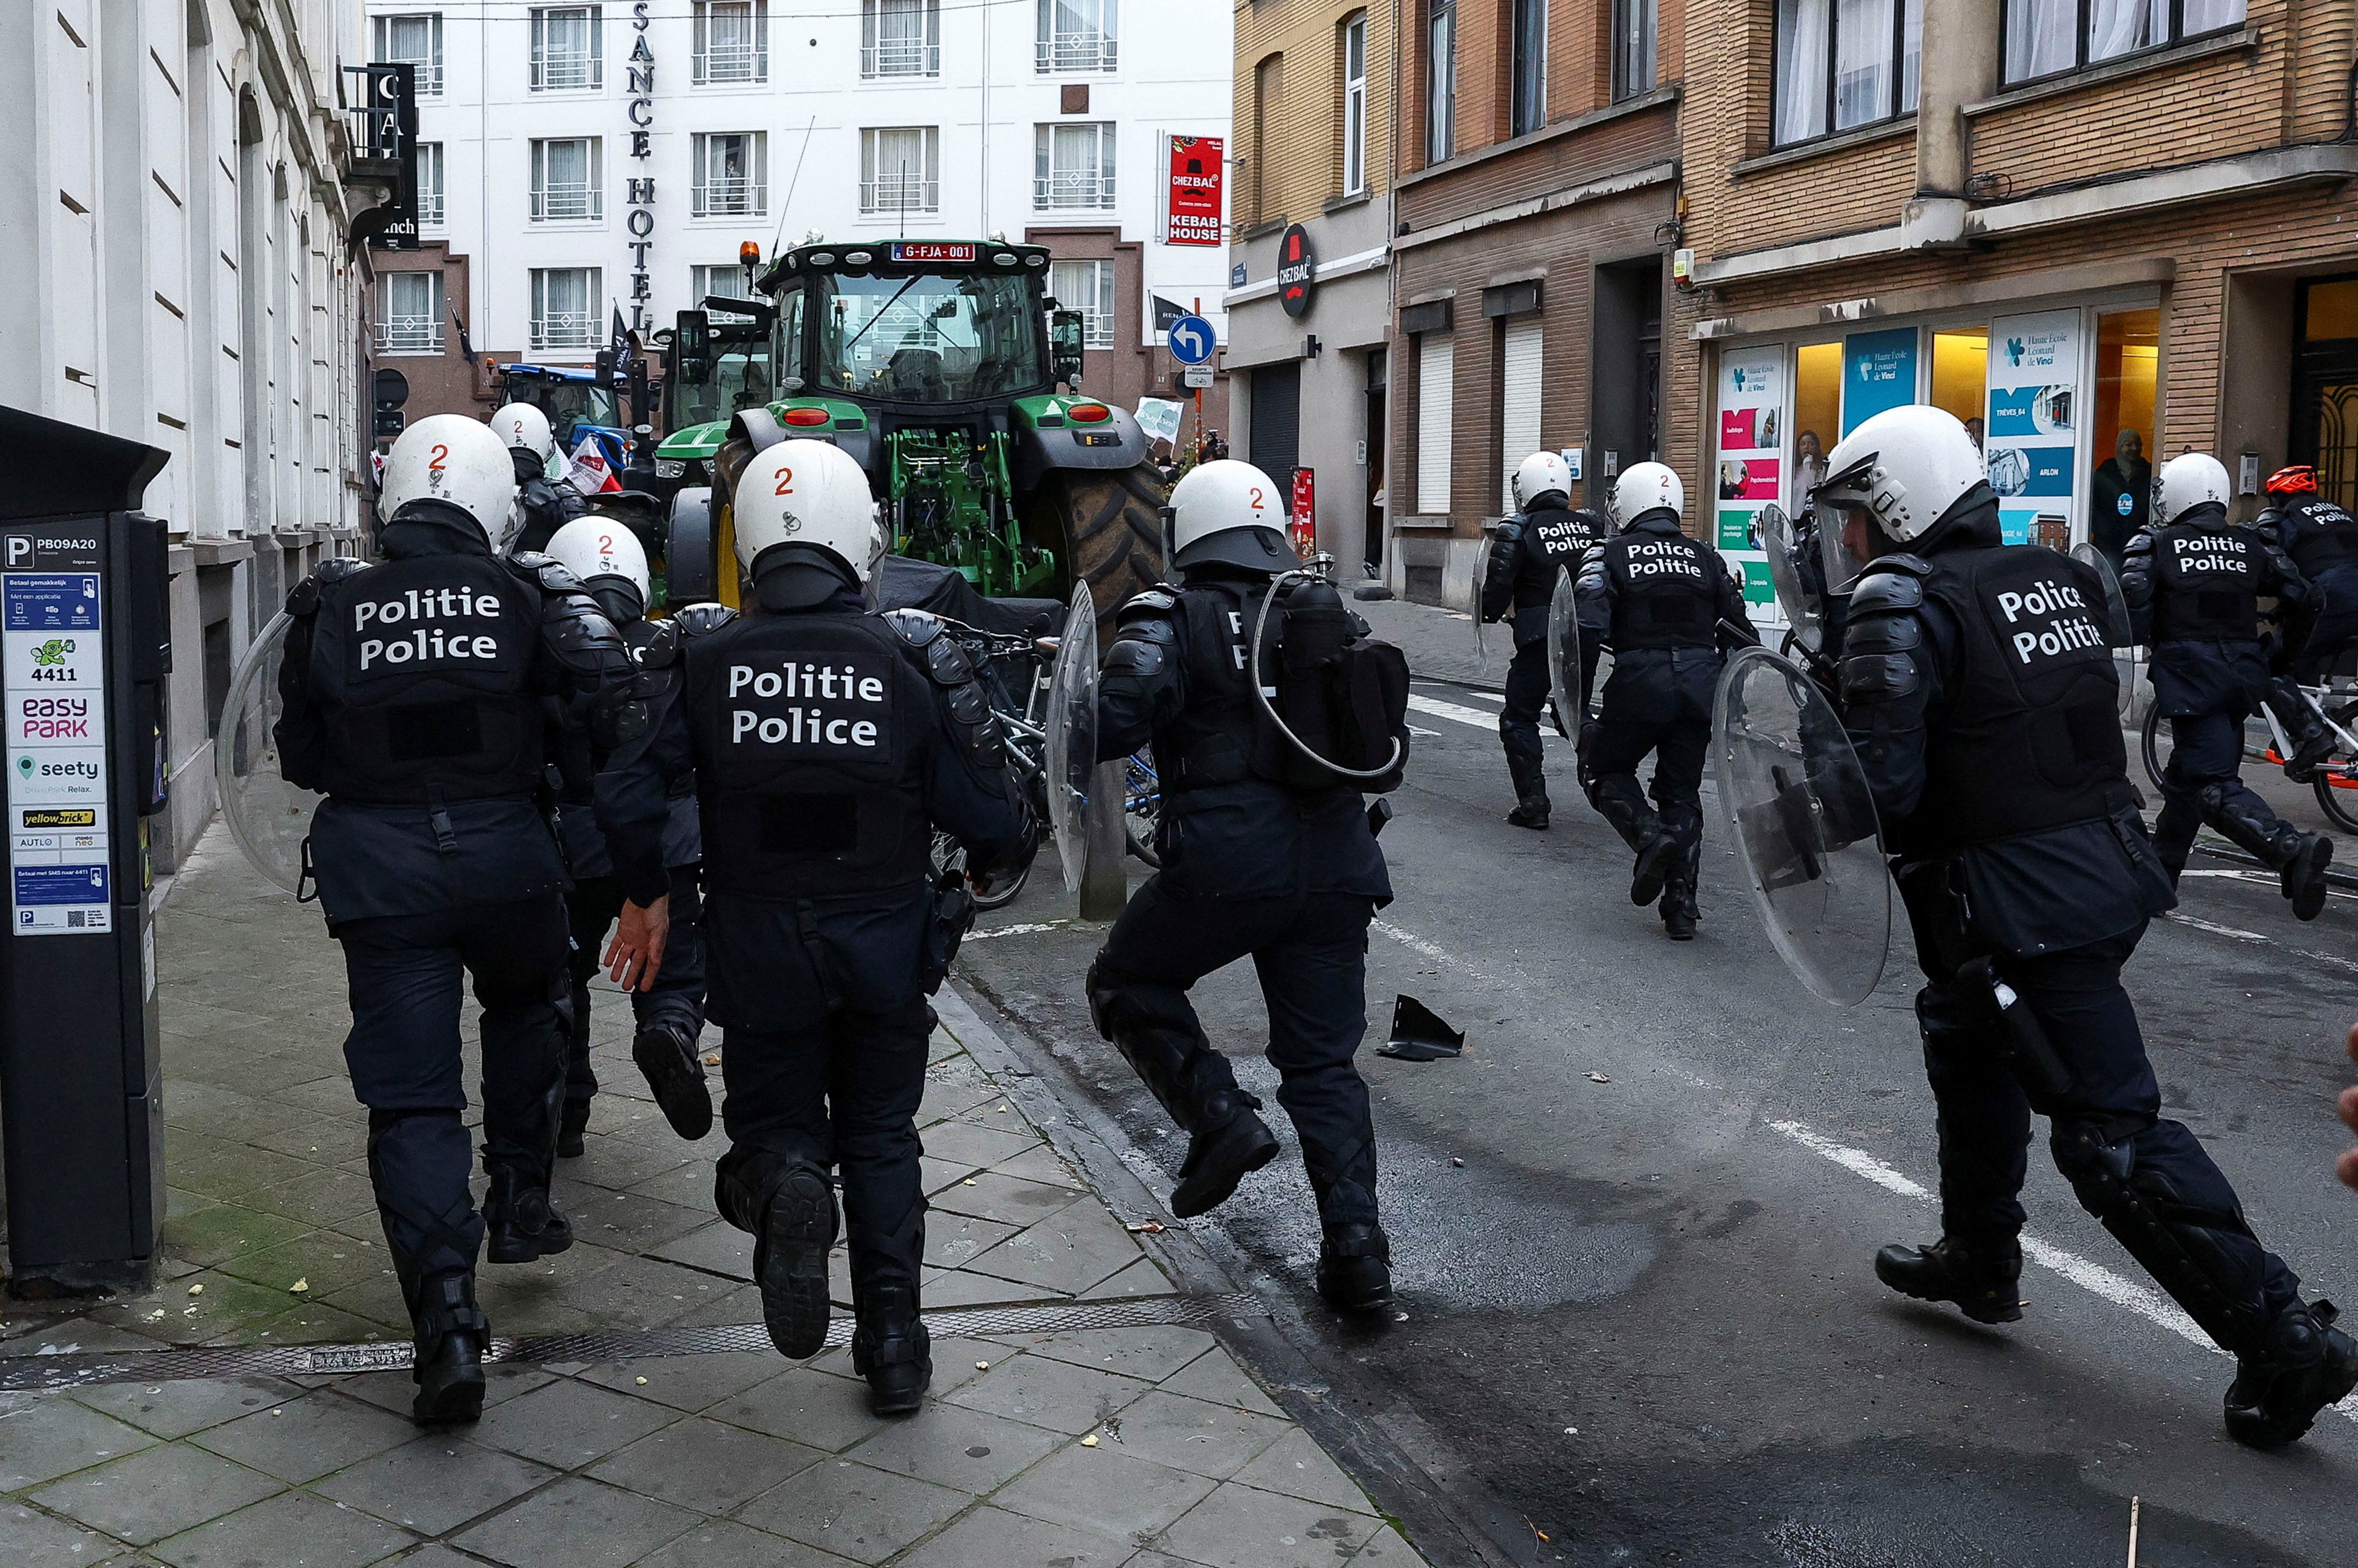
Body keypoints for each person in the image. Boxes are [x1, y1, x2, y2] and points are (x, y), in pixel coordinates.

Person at [1825, 403, 2357, 1450]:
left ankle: (2284, 1336)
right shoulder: (2056, 576)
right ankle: (1977, 1255)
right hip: (2097, 870)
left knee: (2106, 1132)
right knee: (1963, 1037)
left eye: (1854, 514)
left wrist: (1795, 794)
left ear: (1894, 502)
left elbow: (1875, 787)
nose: (1847, 539)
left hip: (2014, 902)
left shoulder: (1901, 597)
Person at [596, 439, 1029, 1415]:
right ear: (857, 540)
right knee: (881, 1135)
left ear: (750, 539)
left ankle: (791, 1177)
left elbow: (625, 790)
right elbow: (995, 819)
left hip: (756, 954)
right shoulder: (906, 662)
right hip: (883, 947)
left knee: (777, 1125)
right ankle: (894, 1345)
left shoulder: (707, 661)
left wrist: (647, 890)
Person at [274, 413, 638, 1424]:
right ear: (493, 502)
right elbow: (598, 719)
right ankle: (522, 1197)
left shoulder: (331, 603)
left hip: (384, 882)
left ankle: (445, 1324)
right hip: (511, 866)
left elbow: (298, 751)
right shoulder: (527, 594)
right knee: (528, 1008)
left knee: (413, 1101)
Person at [1086, 459, 1404, 1315]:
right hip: (1339, 867)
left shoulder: (1169, 612)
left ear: (1187, 528)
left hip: (1227, 868)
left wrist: (1086, 684)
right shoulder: (1323, 612)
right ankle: (1359, 1257)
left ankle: (1220, 1117)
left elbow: (1115, 721)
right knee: (1324, 1065)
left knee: (1126, 977)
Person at [540, 518, 713, 1155]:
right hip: (670, 840)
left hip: (576, 838)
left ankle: (567, 1113)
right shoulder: (671, 649)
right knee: (669, 964)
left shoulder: (555, 653)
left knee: (563, 975)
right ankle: (669, 1028)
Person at [2120, 453, 2333, 918]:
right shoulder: (2250, 544)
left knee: (2212, 787)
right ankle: (2155, 882)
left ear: (2179, 493)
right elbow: (2306, 597)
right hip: (2241, 681)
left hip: (2191, 684)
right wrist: (2281, 657)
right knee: (2184, 783)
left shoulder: (2156, 543)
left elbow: (2129, 610)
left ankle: (2291, 849)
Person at [1574, 461, 1756, 940]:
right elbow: (1742, 633)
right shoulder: (1705, 557)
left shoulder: (1607, 554)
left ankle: (1649, 836)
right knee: (1681, 791)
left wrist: (1574, 703)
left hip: (1640, 683)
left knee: (1601, 767)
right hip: (1702, 686)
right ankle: (1682, 906)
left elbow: (1584, 631)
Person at [1480, 451, 1606, 829]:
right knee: (1575, 715)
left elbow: (1496, 592)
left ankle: (1534, 803)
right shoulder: (1591, 526)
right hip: (1586, 636)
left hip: (1539, 636)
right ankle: (1606, 778)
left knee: (1519, 716)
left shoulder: (1518, 527)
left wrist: (1490, 612)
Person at [2256, 463, 2358, 779]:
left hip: (2334, 599)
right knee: (2304, 648)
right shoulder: (2345, 514)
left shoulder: (2289, 519)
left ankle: (2311, 736)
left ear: (2282, 495)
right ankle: (2315, 721)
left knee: (2275, 662)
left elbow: (2277, 567)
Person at [493, 401, 588, 557]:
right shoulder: (561, 498)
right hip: (539, 579)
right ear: (549, 445)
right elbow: (581, 554)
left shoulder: (473, 492)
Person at [2089, 428, 2151, 570]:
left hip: (2139, 542)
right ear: (2119, 447)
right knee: (2112, 583)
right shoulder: (2105, 472)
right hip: (2109, 544)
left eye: (2138, 444)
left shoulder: (2149, 472)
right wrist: (2103, 530)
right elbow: (2093, 505)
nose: (2134, 449)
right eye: (2128, 445)